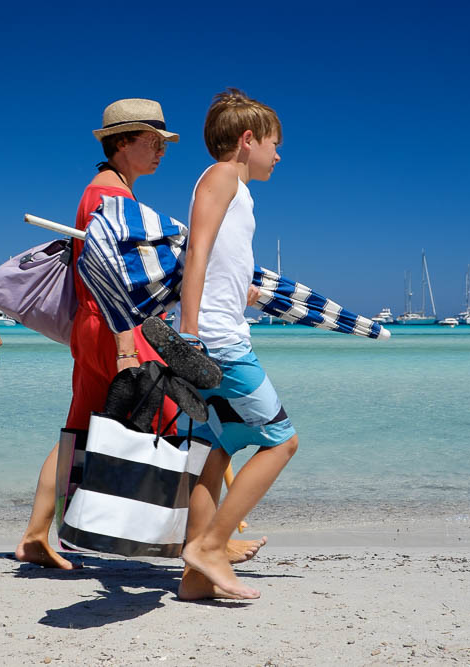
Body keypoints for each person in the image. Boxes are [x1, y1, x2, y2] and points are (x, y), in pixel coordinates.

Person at [14, 98, 183, 569]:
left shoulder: (98, 191)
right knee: (175, 417)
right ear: (123, 142)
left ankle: (35, 536)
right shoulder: (113, 197)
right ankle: (202, 541)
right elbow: (115, 275)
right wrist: (130, 341)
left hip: (94, 327)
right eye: (153, 141)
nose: (162, 151)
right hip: (118, 326)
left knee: (80, 430)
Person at [176, 89, 298, 600]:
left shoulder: (237, 191)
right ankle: (210, 546)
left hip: (218, 329)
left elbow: (219, 258)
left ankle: (196, 578)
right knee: (281, 440)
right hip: (218, 342)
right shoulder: (224, 175)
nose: (279, 154)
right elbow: (197, 250)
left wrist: (241, 290)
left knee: (220, 445)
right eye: (275, 144)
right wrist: (189, 333)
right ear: (248, 141)